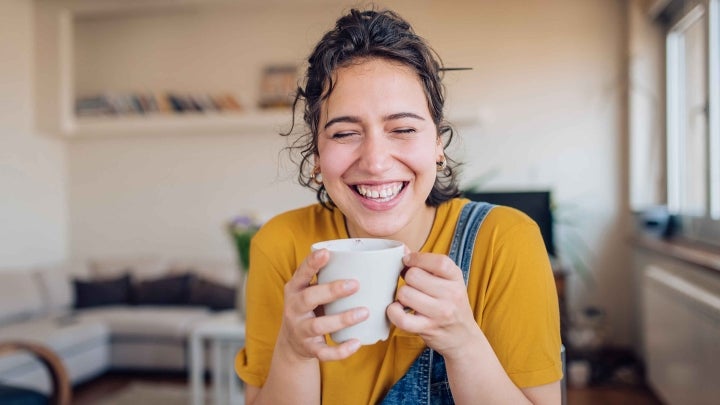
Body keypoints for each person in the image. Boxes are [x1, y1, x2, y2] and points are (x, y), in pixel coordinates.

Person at [235, 8, 562, 405]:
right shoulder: (282, 244)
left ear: (438, 143)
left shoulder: (507, 242)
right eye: (344, 133)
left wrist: (462, 342)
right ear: (317, 155)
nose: (375, 161)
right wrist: (294, 351)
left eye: (403, 129)